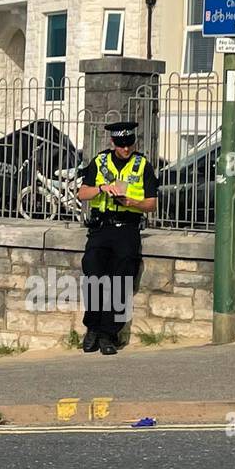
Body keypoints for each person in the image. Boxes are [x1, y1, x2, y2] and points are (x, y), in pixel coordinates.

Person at [74, 120, 158, 355]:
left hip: (127, 229)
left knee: (120, 282)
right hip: (101, 227)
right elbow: (82, 193)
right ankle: (92, 328)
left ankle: (109, 334)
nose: (125, 149)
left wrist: (132, 202)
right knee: (92, 274)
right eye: (121, 144)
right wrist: (102, 188)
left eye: (129, 143)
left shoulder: (142, 165)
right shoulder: (100, 162)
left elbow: (152, 204)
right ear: (112, 143)